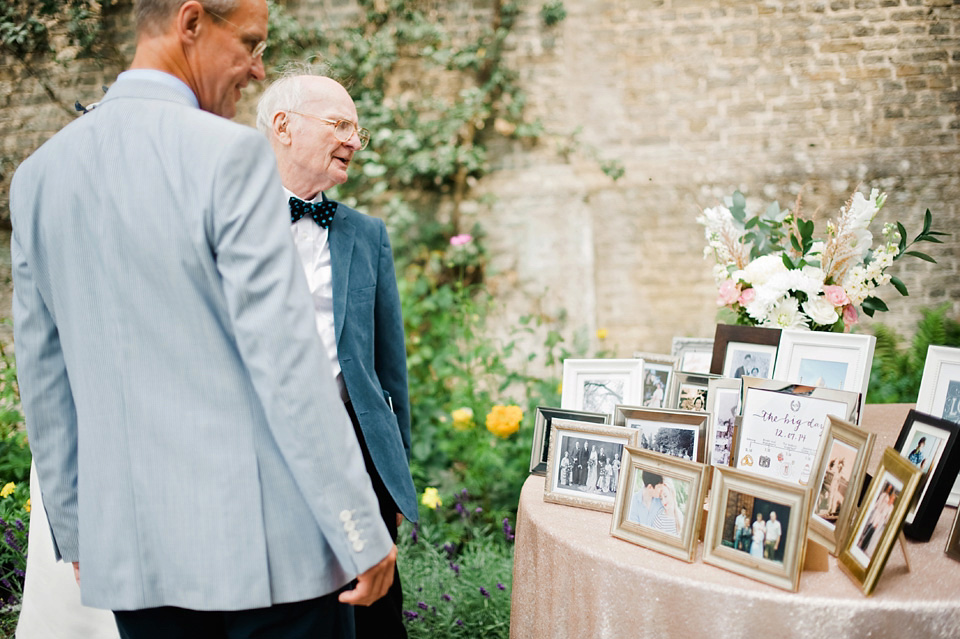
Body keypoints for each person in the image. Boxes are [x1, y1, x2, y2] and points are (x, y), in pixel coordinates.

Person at [10, 1, 396, 637]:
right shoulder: (231, 155)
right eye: (248, 42)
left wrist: (80, 536)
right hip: (272, 562)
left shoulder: (36, 177)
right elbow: (287, 363)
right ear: (191, 23)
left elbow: (45, 382)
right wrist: (361, 528)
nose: (255, 68)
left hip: (131, 562)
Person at [257, 72, 417, 638]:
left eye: (357, 129)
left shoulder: (366, 234)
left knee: (374, 618)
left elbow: (389, 371)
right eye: (340, 124)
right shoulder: (233, 224)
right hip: (264, 456)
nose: (353, 138)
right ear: (283, 126)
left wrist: (396, 476)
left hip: (357, 453)